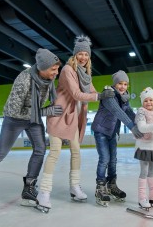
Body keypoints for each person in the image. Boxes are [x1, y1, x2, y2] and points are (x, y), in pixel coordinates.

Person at [0, 48, 63, 213]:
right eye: (53, 69)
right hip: (14, 120)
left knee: (40, 150)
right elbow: (14, 111)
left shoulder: (48, 80)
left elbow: (45, 102)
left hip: (33, 120)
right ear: (42, 68)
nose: (56, 72)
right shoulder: (24, 80)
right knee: (0, 153)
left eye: (57, 68)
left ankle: (29, 188)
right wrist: (45, 111)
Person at [37, 35, 114, 213]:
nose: (83, 57)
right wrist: (99, 96)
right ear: (75, 55)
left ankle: (74, 187)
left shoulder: (85, 73)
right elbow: (76, 94)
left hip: (74, 119)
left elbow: (93, 91)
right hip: (59, 116)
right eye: (80, 54)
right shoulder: (67, 70)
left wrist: (106, 92)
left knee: (76, 152)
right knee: (55, 152)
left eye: (86, 55)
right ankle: (44, 192)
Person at [91, 70, 144, 207]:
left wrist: (141, 124)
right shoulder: (108, 94)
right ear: (115, 84)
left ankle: (111, 185)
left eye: (125, 84)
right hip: (101, 131)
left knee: (113, 160)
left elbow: (129, 112)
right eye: (120, 83)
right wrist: (132, 127)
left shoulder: (124, 97)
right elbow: (117, 111)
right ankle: (100, 187)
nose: (123, 86)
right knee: (105, 159)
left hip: (113, 133)